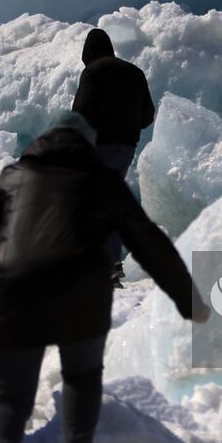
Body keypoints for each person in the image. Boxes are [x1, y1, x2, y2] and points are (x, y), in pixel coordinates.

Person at [0, 111, 209, 443]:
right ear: (88, 145)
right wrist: (190, 301)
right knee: (81, 382)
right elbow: (149, 242)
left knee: (7, 400)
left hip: (15, 293)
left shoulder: (16, 177)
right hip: (82, 293)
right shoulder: (103, 179)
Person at [71, 27, 156, 284]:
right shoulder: (134, 72)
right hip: (126, 147)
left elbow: (81, 112)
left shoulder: (93, 72)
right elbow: (147, 115)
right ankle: (112, 262)